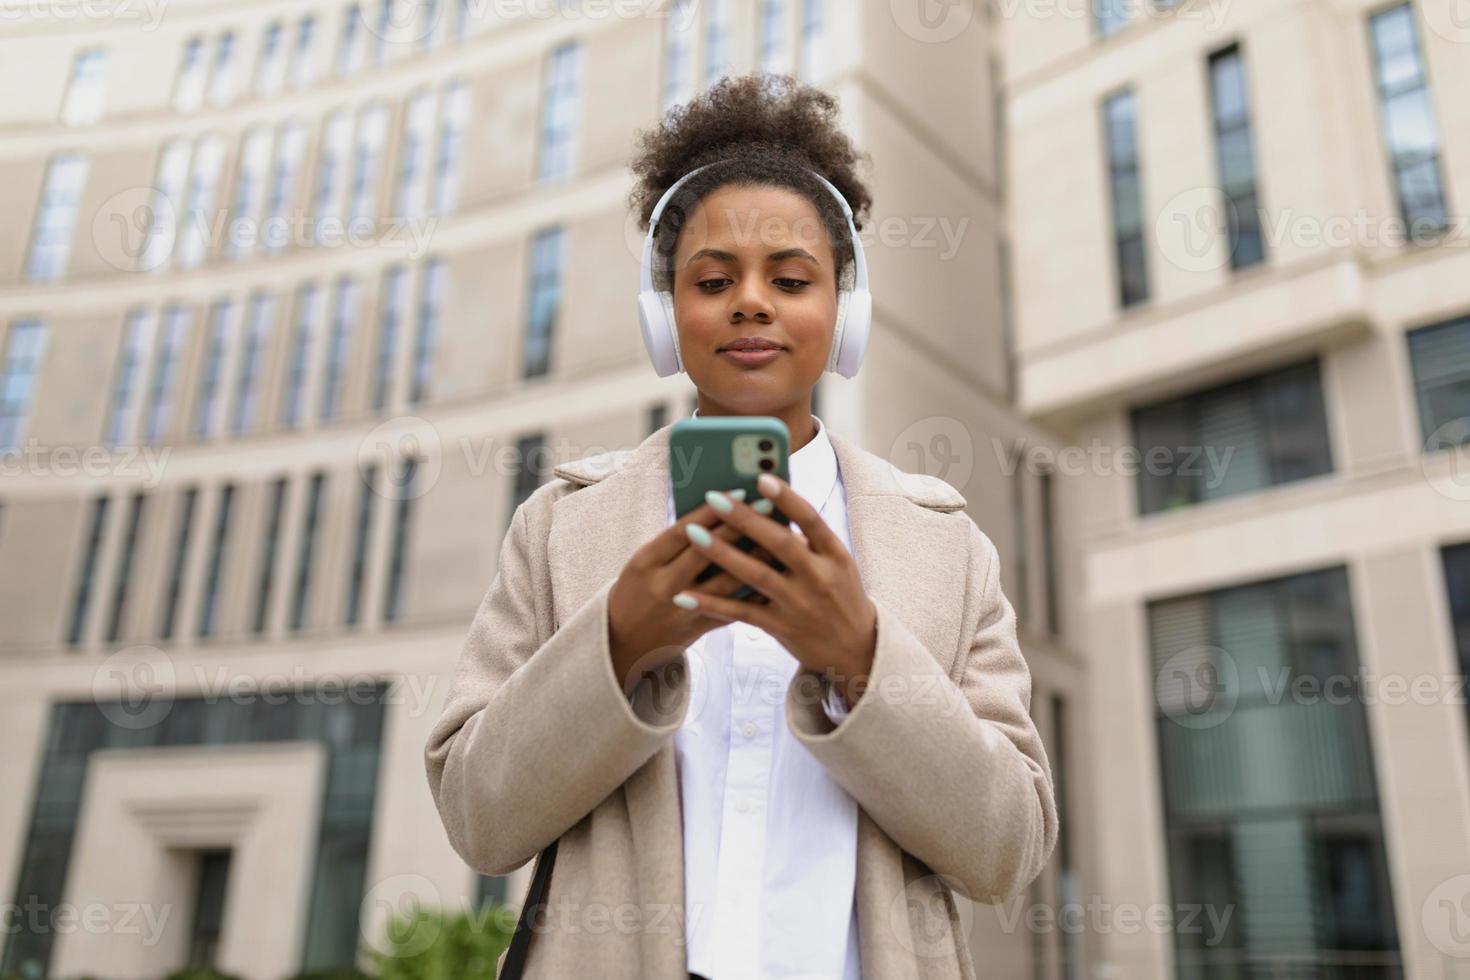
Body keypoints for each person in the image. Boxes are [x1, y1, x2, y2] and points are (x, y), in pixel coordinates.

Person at [424, 73, 1057, 980]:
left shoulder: (946, 545)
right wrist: (618, 643)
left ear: (846, 311)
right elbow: (479, 822)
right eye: (712, 279)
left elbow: (1006, 850)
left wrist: (861, 657)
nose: (750, 302)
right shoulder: (562, 524)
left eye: (791, 279)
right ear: (664, 315)